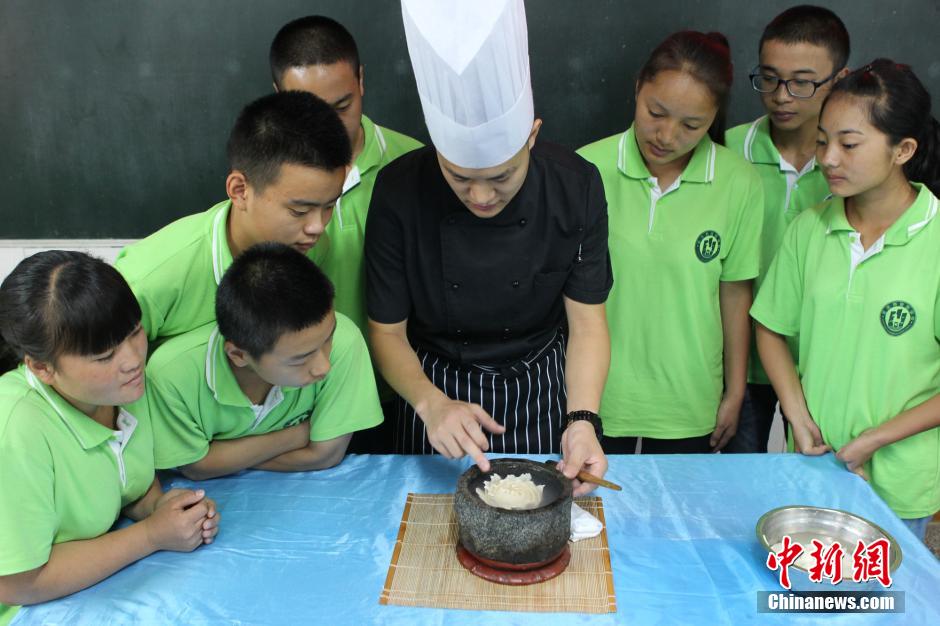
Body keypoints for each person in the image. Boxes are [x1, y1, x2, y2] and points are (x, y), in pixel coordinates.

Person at [366, 0, 610, 493]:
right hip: (434, 391)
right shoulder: (398, 191)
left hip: (539, 391)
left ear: (532, 137)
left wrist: (582, 419)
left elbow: (587, 323)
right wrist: (430, 404)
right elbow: (387, 333)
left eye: (501, 177)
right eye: (458, 176)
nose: (480, 196)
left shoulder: (576, 186)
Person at [752, 60, 940, 540]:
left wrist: (873, 441)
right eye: (822, 140)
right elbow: (770, 326)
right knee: (802, 607)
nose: (829, 158)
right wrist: (795, 412)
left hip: (898, 484)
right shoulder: (810, 229)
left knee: (883, 610)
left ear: (904, 150)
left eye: (849, 144)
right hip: (812, 467)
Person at [0, 252, 219, 624]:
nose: (133, 360)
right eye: (104, 356)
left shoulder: (121, 391)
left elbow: (125, 485)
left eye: (135, 332)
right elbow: (17, 582)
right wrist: (151, 535)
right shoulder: (16, 430)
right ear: (42, 367)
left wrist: (164, 509)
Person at [578, 31, 763, 454]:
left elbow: (734, 293)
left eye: (691, 125)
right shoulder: (586, 168)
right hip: (597, 396)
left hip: (688, 398)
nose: (666, 135)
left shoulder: (738, 182)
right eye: (655, 112)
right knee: (594, 517)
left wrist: (734, 392)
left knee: (678, 518)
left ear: (714, 117)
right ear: (638, 87)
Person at [269, 16, 423, 452]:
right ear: (279, 98)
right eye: (307, 109)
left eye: (341, 106)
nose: (328, 127)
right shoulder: (264, 180)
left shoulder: (414, 165)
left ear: (362, 81)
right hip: (299, 399)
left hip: (401, 396)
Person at [115, 91, 350, 344]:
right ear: (239, 190)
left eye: (329, 206)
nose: (317, 227)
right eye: (299, 211)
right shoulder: (150, 281)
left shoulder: (308, 246)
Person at [724, 5, 850, 453]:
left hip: (822, 362)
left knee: (817, 486)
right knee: (734, 484)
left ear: (840, 79)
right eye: (770, 78)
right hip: (737, 361)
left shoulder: (852, 166)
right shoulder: (729, 151)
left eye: (801, 82)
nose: (781, 95)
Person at [147, 243, 382, 479]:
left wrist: (222, 457)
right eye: (300, 359)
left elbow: (325, 455)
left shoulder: (345, 340)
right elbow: (196, 467)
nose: (324, 367)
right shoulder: (171, 375)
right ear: (239, 355)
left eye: (328, 339)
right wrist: (301, 434)